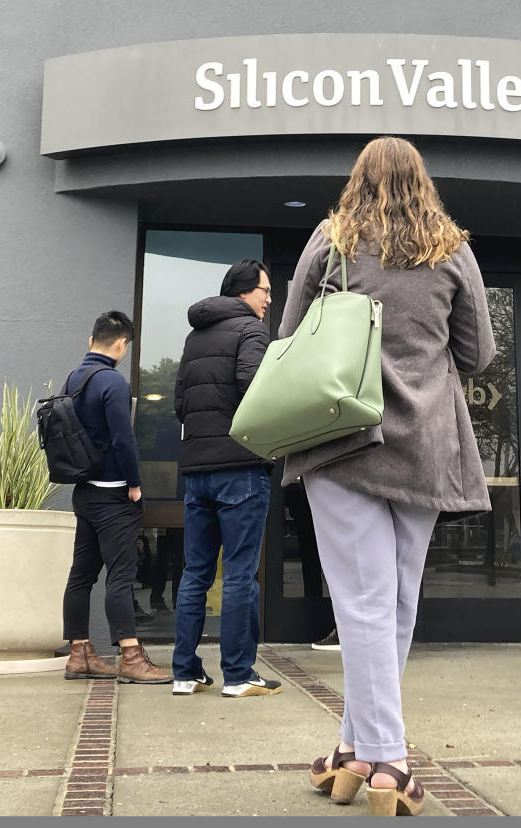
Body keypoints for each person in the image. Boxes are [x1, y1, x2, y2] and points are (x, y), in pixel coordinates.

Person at [288, 136, 495, 817]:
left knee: (362, 601)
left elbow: (289, 337)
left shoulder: (331, 241)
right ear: (422, 181)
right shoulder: (452, 249)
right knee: (394, 602)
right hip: (427, 444)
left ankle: (388, 760)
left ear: (358, 180)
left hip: (340, 440)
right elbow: (480, 353)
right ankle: (354, 750)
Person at [171, 259, 282, 699]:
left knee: (195, 573)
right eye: (265, 291)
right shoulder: (252, 331)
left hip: (197, 471)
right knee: (239, 575)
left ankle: (185, 672)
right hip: (240, 468)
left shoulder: (195, 337)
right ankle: (238, 674)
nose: (269, 299)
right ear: (242, 292)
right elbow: (254, 385)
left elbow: (180, 404)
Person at [61, 310, 173, 685]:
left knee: (81, 575)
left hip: (84, 493)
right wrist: (135, 484)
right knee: (121, 577)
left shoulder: (74, 378)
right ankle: (130, 655)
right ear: (122, 344)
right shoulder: (113, 382)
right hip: (112, 495)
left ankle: (79, 654)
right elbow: (124, 439)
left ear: (91, 340)